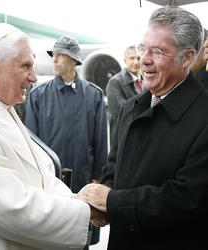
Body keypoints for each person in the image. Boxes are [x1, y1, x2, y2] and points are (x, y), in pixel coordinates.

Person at [76, 6, 208, 250]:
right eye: (143, 48)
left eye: (157, 51)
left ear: (187, 57)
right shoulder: (132, 107)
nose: (144, 59)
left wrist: (113, 203)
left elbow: (188, 198)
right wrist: (102, 195)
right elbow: (115, 164)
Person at [0, 23, 92, 250]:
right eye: (25, 66)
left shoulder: (0, 103)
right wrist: (86, 211)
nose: (33, 77)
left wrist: (76, 200)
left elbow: (41, 173)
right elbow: (10, 208)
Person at [25, 35, 108, 248]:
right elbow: (31, 143)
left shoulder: (94, 95)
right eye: (54, 55)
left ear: (74, 60)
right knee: (50, 236)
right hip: (49, 181)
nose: (55, 59)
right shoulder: (38, 95)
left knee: (81, 237)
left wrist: (98, 177)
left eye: (61, 55)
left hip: (83, 178)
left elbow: (100, 140)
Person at [106, 45, 144, 145]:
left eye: (139, 58)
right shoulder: (115, 82)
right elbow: (121, 113)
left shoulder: (146, 81)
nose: (136, 62)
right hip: (124, 139)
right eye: (132, 58)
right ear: (125, 60)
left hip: (142, 138)